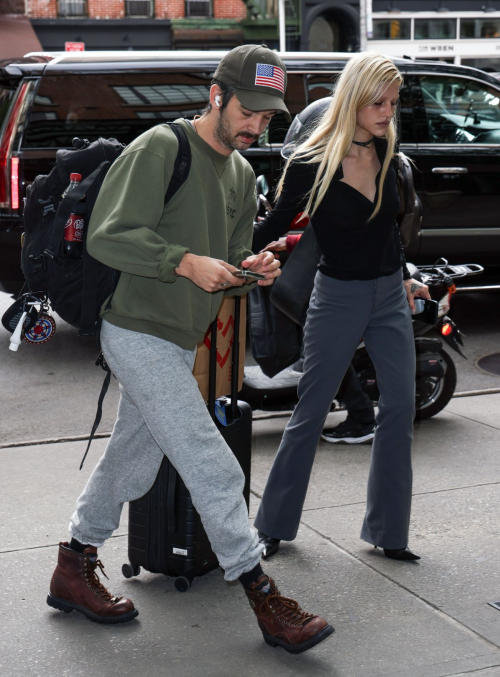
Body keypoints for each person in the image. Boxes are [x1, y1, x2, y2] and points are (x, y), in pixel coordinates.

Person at [46, 45, 334, 654]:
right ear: (217, 96)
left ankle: (73, 566)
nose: (256, 125)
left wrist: (250, 270)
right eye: (248, 111)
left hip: (180, 339)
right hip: (134, 327)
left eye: (268, 116)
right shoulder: (162, 147)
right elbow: (108, 237)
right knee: (209, 458)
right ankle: (263, 594)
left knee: (133, 460)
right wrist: (180, 261)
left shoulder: (241, 173)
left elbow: (222, 266)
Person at [252, 52, 430, 562]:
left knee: (399, 408)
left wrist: (406, 276)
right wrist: (220, 254)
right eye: (378, 102)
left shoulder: (390, 153)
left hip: (388, 297)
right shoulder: (311, 162)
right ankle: (274, 525)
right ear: (352, 98)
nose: (387, 113)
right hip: (337, 297)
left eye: (393, 104)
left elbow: (389, 232)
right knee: (310, 412)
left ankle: (389, 532)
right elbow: (270, 226)